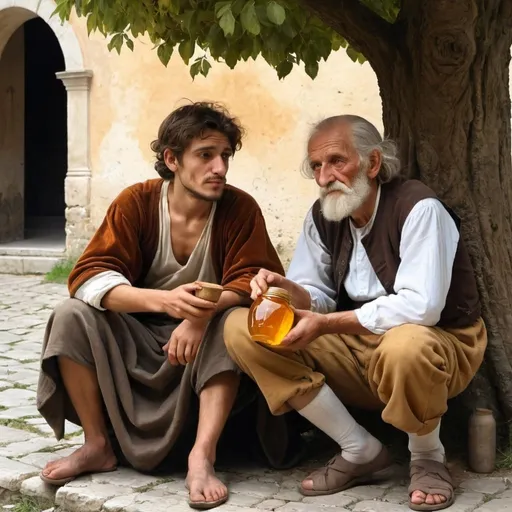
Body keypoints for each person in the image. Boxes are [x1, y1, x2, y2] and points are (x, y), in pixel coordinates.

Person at [223, 115, 487, 512]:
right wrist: (288, 291)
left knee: (407, 343)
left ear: (373, 163)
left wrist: (327, 324)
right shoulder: (323, 217)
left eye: (336, 161)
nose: (325, 176)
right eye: (316, 166)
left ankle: (427, 454)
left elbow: (422, 307)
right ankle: (358, 447)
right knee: (241, 327)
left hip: (440, 344)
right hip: (357, 344)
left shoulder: (419, 208)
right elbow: (318, 295)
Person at [36, 102, 285, 510]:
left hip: (201, 348)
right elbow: (90, 276)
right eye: (205, 155)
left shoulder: (239, 209)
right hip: (138, 337)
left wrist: (200, 316)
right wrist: (167, 302)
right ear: (171, 159)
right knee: (70, 316)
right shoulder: (136, 203)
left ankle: (202, 455)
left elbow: (254, 280)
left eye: (225, 156)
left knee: (232, 323)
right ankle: (97, 444)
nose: (219, 167)